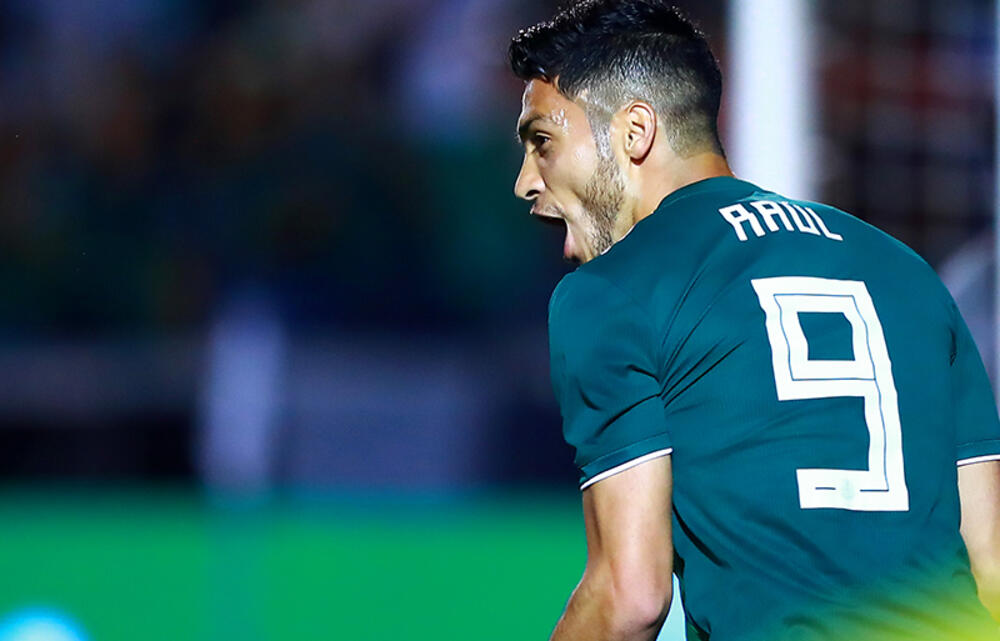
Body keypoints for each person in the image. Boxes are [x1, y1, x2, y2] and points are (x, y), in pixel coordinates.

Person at [507, 2, 1000, 640]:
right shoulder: (909, 274)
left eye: (542, 142)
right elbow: (991, 568)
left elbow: (629, 597)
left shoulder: (610, 291)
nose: (526, 182)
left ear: (635, 132)